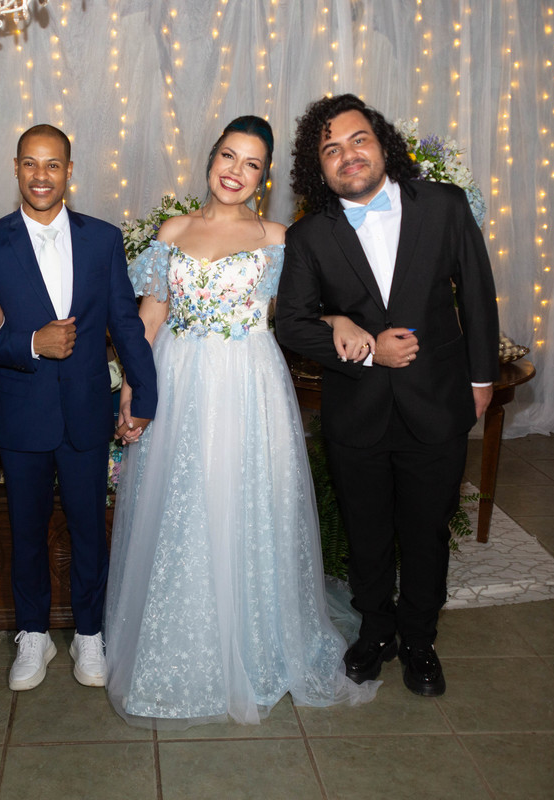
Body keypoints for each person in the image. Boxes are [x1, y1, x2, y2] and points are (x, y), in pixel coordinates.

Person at [103, 115, 378, 729]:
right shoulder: (173, 231)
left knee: (242, 505)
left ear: (265, 177)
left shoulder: (280, 238)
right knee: (179, 505)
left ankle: (252, 644)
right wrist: (131, 391)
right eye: (229, 156)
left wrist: (338, 320)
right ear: (211, 159)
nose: (236, 171)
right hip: (176, 383)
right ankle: (178, 642)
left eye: (252, 164)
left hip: (248, 388)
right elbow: (149, 320)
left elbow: (305, 313)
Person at [275, 94, 499, 698]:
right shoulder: (308, 235)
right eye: (331, 149)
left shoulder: (444, 205)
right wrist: (369, 348)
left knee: (427, 533)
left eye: (358, 140)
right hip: (357, 411)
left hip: (438, 403)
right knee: (367, 534)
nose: (347, 155)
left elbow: (477, 294)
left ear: (382, 144)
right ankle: (377, 631)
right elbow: (292, 323)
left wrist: (481, 382)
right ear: (318, 168)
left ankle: (421, 640)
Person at [0, 124, 158, 693]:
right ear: (16, 168)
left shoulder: (103, 239)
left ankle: (90, 632)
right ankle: (32, 633)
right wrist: (28, 342)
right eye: (31, 164)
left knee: (90, 530)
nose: (42, 176)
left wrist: (144, 393)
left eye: (53, 164)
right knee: (27, 532)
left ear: (69, 171)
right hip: (23, 416)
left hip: (88, 411)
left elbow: (126, 323)